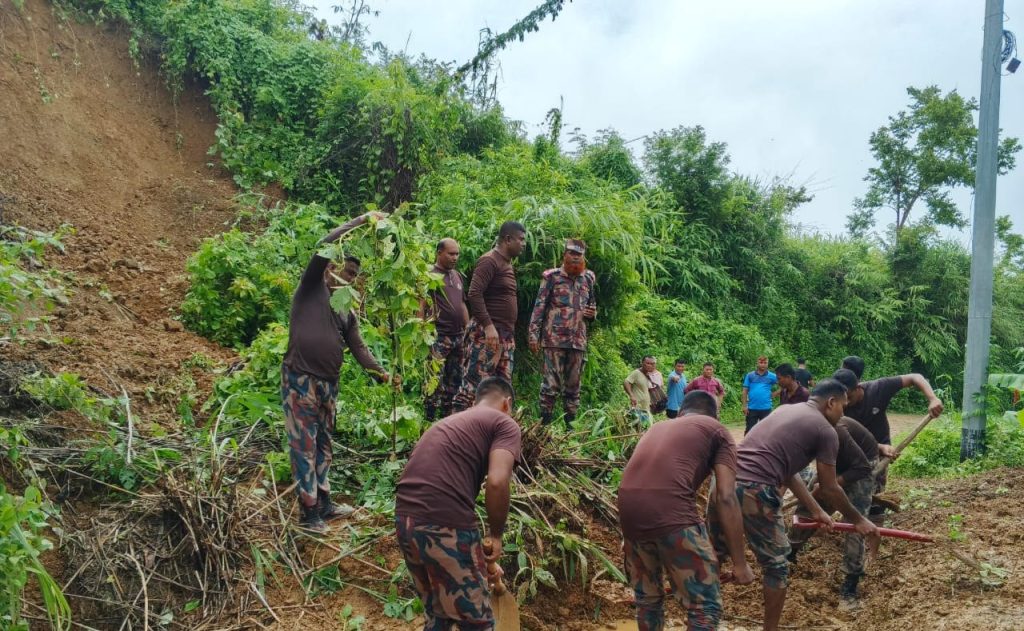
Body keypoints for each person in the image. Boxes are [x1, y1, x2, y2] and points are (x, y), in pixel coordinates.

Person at [707, 379, 879, 631]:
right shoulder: (826, 430)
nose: (844, 412)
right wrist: (859, 519)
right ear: (831, 403)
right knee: (777, 566)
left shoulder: (785, 409)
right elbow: (830, 487)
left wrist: (818, 511)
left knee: (715, 554)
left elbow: (788, 473)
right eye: (843, 406)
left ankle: (708, 621)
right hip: (756, 489)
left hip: (721, 482)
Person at [281, 211, 395, 532]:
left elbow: (358, 347)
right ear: (331, 266)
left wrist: (380, 372)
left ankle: (325, 502)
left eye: (353, 274)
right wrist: (362, 220)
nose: (347, 276)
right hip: (300, 378)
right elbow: (324, 245)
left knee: (323, 444)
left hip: (329, 385)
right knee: (303, 444)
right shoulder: (311, 287)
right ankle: (309, 513)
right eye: (343, 268)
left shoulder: (346, 307)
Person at [618, 391, 754, 631]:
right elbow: (725, 496)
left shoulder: (658, 427)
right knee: (705, 606)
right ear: (715, 415)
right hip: (672, 513)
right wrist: (740, 563)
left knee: (648, 600)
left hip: (628, 512)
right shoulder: (717, 430)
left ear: (681, 412)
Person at [395, 377, 521, 631]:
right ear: (507, 404)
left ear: (475, 401)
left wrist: (481, 562)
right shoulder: (504, 423)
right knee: (477, 624)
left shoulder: (450, 423)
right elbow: (497, 482)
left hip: (405, 519)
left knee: (438, 617)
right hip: (444, 520)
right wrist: (495, 536)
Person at [787, 369, 899, 604]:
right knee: (806, 512)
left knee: (854, 524)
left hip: (861, 467)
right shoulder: (807, 424)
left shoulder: (836, 429)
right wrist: (816, 492)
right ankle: (790, 555)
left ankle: (851, 583)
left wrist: (830, 486)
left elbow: (862, 470)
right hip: (834, 465)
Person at [838, 356, 943, 558]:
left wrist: (932, 398)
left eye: (848, 397)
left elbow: (915, 377)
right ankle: (846, 538)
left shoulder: (878, 389)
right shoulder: (836, 402)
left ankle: (872, 552)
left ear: (858, 387)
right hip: (850, 454)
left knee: (875, 502)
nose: (844, 403)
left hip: (878, 457)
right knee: (845, 498)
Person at [452, 221, 527, 412]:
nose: (524, 244)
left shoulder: (506, 263)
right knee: (473, 386)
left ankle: (491, 434)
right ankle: (457, 432)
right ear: (507, 239)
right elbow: (474, 293)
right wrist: (488, 326)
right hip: (487, 335)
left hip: (504, 336)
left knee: (501, 391)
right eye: (521, 239)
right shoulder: (490, 261)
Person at [528, 239, 597, 425]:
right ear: (564, 255)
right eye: (572, 254)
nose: (575, 258)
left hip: (578, 341)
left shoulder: (588, 278)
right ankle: (544, 429)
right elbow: (539, 307)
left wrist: (592, 315)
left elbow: (592, 307)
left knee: (574, 388)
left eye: (579, 255)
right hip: (554, 340)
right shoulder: (552, 277)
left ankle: (570, 430)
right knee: (550, 386)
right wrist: (533, 334)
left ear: (583, 258)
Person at [423, 238, 469, 422]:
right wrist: (422, 330)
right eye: (451, 254)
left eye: (457, 254)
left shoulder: (456, 276)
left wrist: (469, 329)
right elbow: (420, 303)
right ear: (439, 253)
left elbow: (462, 304)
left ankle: (448, 420)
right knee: (434, 381)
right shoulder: (429, 275)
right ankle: (429, 420)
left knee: (455, 381)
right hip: (438, 337)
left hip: (458, 337)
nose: (455, 257)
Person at [741, 356, 778, 434]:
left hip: (766, 408)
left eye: (765, 363)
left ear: (768, 364)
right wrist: (744, 406)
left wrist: (775, 393)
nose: (763, 365)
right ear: (757, 363)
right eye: (761, 362)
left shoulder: (772, 376)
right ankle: (747, 446)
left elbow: (784, 384)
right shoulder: (750, 375)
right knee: (749, 431)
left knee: (766, 431)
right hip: (751, 408)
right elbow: (745, 391)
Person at [624, 356, 659, 425]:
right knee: (640, 429)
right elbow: (626, 382)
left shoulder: (652, 375)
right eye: (647, 363)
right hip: (637, 408)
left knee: (646, 429)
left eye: (652, 364)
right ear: (642, 363)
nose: (650, 365)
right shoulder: (636, 373)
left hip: (647, 408)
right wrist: (631, 395)